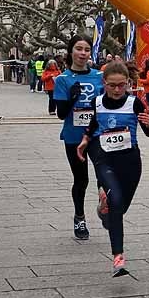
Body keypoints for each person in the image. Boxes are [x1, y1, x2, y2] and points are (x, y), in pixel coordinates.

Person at [75, 61, 149, 277]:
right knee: (116, 202)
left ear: (128, 83)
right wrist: (85, 141)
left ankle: (105, 213)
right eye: (112, 85)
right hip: (104, 159)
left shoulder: (134, 102)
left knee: (118, 209)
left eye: (121, 85)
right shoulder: (97, 102)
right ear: (104, 83)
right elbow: (92, 125)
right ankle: (118, 258)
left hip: (130, 161)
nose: (117, 89)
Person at [54, 36, 105, 240]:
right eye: (79, 49)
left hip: (97, 134)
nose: (83, 53)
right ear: (71, 51)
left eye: (86, 49)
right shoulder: (63, 79)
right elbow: (60, 113)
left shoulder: (99, 77)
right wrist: (74, 96)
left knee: (104, 175)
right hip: (74, 137)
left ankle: (106, 207)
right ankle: (79, 217)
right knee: (81, 179)